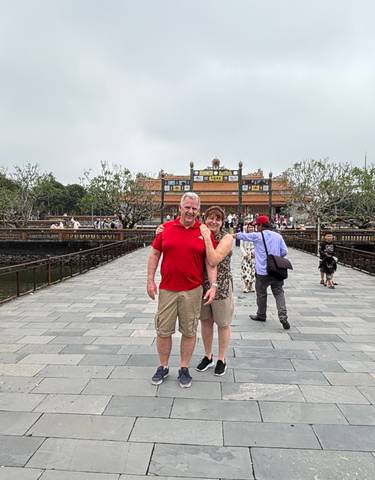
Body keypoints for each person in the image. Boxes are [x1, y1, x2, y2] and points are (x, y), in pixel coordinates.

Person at [147, 192, 217, 388]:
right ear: (180, 208)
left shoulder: (204, 232)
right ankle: (163, 366)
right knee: (163, 330)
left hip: (192, 290)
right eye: (187, 207)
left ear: (198, 210)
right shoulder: (166, 229)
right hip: (168, 289)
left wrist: (213, 286)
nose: (190, 211)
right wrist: (150, 280)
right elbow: (154, 255)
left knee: (189, 331)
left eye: (194, 208)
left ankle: (184, 368)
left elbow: (210, 263)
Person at [196, 206, 234, 376]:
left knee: (223, 323)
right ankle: (207, 355)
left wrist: (206, 238)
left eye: (217, 219)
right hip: (202, 285)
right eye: (210, 218)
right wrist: (162, 229)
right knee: (205, 321)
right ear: (205, 219)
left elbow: (213, 260)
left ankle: (221, 358)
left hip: (222, 286)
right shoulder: (199, 232)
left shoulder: (226, 238)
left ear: (222, 222)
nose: (213, 221)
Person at [235, 215, 290, 330]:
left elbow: (242, 236)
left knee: (261, 294)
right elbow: (284, 251)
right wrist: (275, 258)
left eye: (257, 225)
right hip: (276, 270)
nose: (256, 228)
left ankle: (261, 314)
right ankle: (283, 316)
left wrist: (230, 235)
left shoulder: (257, 236)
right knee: (279, 293)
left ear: (261, 225)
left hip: (262, 271)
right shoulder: (278, 236)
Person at [240, 223, 256, 293]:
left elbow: (258, 245)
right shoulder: (243, 236)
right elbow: (241, 246)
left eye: (252, 227)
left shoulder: (256, 236)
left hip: (253, 256)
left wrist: (253, 253)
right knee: (246, 270)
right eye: (249, 227)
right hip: (245, 255)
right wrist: (245, 255)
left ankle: (251, 285)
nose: (251, 228)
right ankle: (246, 286)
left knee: (253, 271)